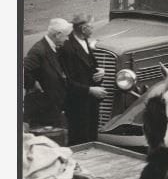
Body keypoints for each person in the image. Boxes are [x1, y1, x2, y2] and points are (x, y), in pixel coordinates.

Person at [59, 14, 107, 144]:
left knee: (92, 136)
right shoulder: (67, 48)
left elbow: (90, 65)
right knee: (80, 139)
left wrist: (100, 71)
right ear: (83, 28)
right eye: (91, 27)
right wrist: (90, 90)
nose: (93, 30)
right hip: (77, 103)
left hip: (90, 102)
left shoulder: (84, 41)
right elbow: (66, 81)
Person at [23, 19, 76, 129]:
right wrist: (33, 84)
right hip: (43, 112)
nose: (67, 39)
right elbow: (23, 71)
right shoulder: (39, 50)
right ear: (58, 35)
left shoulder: (52, 47)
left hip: (53, 109)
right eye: (66, 36)